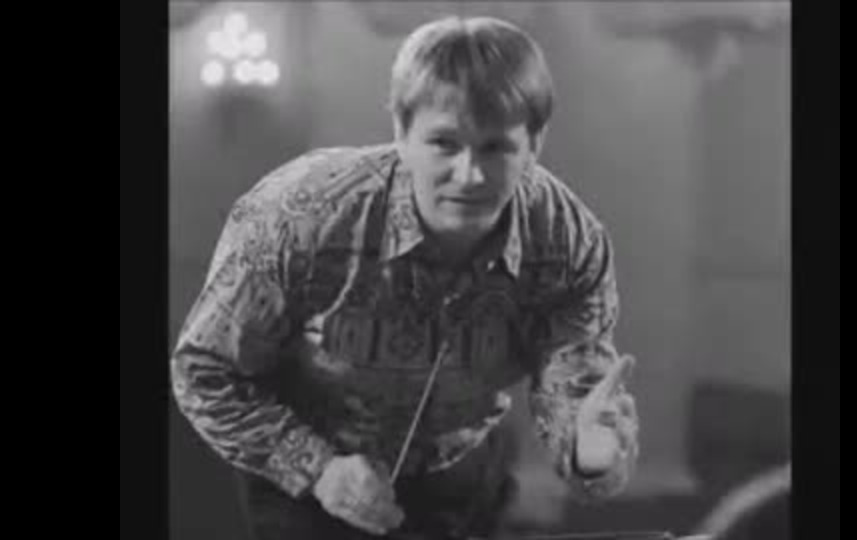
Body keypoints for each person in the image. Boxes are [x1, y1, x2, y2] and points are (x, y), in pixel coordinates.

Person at [170, 15, 640, 540]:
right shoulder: (300, 216)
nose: (469, 176)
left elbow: (572, 390)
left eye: (495, 148)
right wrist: (319, 469)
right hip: (305, 481)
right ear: (401, 133)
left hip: (462, 475)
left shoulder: (567, 241)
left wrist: (590, 452)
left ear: (535, 143)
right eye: (444, 143)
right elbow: (204, 371)